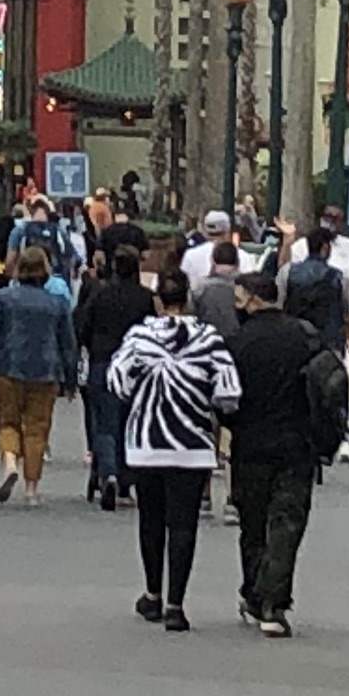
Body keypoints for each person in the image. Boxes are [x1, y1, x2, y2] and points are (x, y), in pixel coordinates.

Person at [107, 263, 240, 630]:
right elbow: (229, 391)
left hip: (146, 442)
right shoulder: (208, 339)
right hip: (192, 445)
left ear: (157, 301)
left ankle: (152, 593)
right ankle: (176, 605)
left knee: (151, 519)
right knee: (183, 525)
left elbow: (117, 380)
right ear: (188, 300)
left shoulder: (138, 337)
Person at [221, 266, 334, 636]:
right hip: (297, 443)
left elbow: (223, 400)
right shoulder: (305, 336)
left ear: (252, 300)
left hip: (250, 444)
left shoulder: (236, 342)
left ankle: (254, 592)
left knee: (252, 523)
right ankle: (274, 601)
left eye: (239, 299)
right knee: (287, 522)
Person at [0, 232, 81, 505]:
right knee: (37, 428)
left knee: (7, 421)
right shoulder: (57, 303)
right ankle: (31, 489)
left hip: (8, 367)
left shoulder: (6, 297)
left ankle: (10, 464)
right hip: (45, 371)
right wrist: (71, 378)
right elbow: (68, 343)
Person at [74, 234, 153, 509]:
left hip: (103, 362)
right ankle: (125, 483)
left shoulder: (100, 294)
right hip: (135, 367)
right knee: (132, 424)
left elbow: (83, 327)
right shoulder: (146, 299)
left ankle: (107, 472)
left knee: (105, 423)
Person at [279, 218, 349, 361]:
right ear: (325, 248)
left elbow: (280, 303)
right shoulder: (338, 277)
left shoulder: (288, 272)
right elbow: (346, 311)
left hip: (296, 340)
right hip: (329, 345)